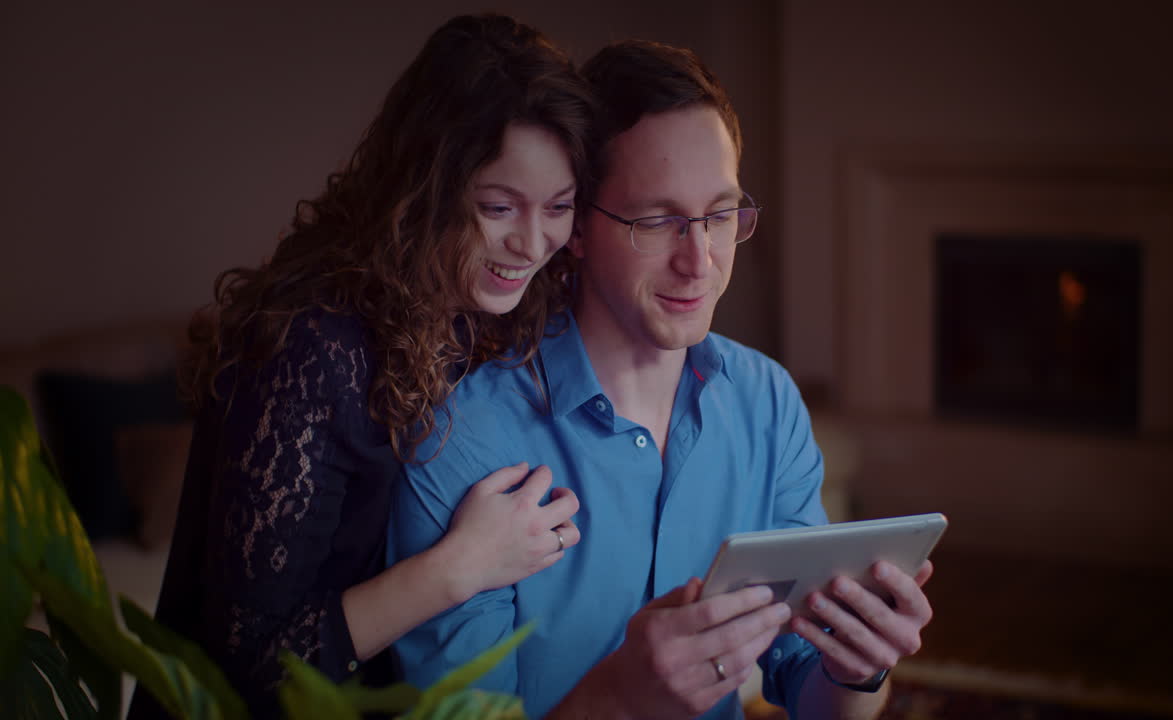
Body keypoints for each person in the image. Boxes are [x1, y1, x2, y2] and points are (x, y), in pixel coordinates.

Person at [389, 39, 936, 720]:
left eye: (720, 213)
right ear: (577, 227)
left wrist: (859, 667)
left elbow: (817, 697)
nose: (700, 261)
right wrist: (619, 697)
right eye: (657, 221)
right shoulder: (464, 440)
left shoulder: (767, 402)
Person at [128, 14, 596, 718]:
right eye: (498, 206)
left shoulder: (490, 307)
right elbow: (245, 665)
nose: (532, 243)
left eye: (558, 208)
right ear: (427, 186)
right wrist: (461, 566)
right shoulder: (315, 346)